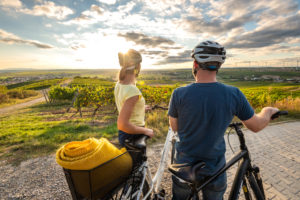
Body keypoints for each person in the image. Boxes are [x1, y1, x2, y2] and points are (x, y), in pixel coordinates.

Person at [168, 41, 279, 200]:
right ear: (219, 66)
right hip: (215, 169)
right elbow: (256, 125)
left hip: (184, 168)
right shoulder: (233, 94)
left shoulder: (178, 94)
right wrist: (267, 111)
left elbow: (175, 127)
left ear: (195, 64)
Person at [114, 49, 154, 147]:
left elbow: (125, 106)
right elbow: (122, 124)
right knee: (139, 162)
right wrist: (146, 130)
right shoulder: (133, 91)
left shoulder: (119, 84)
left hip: (125, 135)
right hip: (133, 135)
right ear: (137, 66)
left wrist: (141, 108)